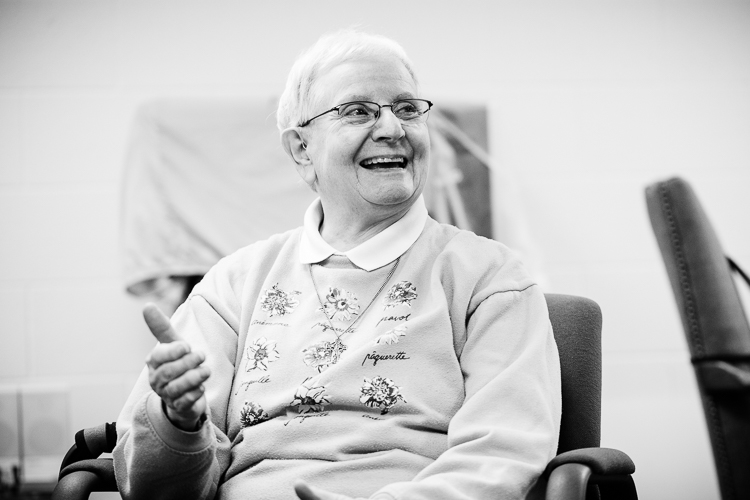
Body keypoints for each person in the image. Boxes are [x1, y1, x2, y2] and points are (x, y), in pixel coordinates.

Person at [113, 29, 561, 500]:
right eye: (358, 111)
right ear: (302, 150)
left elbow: (500, 456)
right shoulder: (233, 285)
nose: (392, 129)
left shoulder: (489, 279)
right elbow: (153, 490)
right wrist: (178, 425)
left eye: (407, 108)